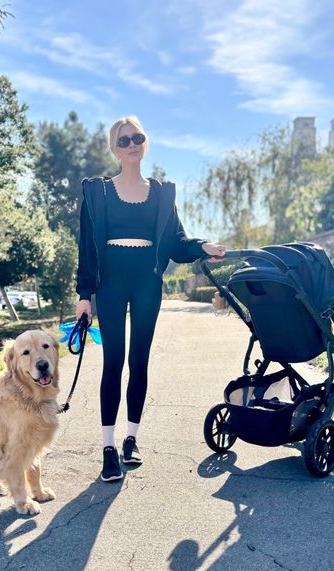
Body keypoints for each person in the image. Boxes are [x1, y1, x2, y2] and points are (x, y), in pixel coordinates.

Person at [75, 115, 225, 482]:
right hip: (110, 282)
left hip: (146, 281)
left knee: (139, 361)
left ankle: (131, 438)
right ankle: (108, 446)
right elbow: (85, 249)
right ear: (114, 148)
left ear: (146, 142)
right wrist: (84, 296)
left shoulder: (160, 193)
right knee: (113, 362)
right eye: (123, 140)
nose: (131, 144)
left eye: (137, 138)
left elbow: (176, 241)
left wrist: (203, 246)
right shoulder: (98, 192)